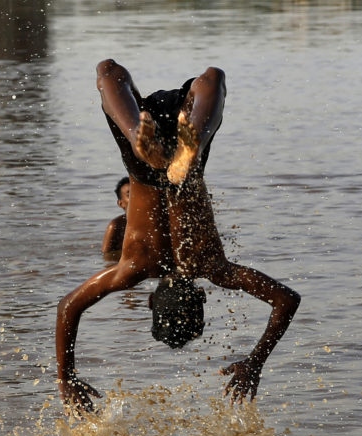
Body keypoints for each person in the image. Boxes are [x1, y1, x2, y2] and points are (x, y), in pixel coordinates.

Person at [55, 59, 300, 412]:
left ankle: (190, 145)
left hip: (184, 170)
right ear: (151, 302)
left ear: (201, 295)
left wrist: (255, 362)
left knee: (212, 79)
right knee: (109, 73)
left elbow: (287, 300)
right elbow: (68, 307)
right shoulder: (132, 269)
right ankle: (151, 144)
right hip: (141, 170)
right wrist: (66, 378)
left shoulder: (214, 268)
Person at [101, 176, 130, 257]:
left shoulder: (152, 220)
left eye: (137, 194)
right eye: (129, 195)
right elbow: (107, 258)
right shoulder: (116, 226)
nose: (135, 198)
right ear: (121, 204)